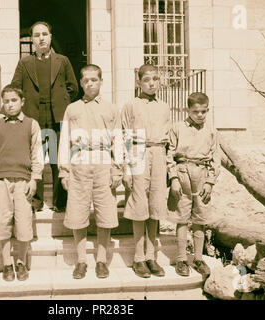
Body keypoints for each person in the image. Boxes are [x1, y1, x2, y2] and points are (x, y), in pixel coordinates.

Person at [58, 64, 123, 279]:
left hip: (103, 161)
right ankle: (81, 261)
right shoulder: (72, 108)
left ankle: (102, 260)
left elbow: (118, 140)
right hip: (79, 161)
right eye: (85, 80)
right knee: (78, 212)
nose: (89, 83)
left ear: (101, 81)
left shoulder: (112, 109)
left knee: (105, 213)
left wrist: (117, 169)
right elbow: (63, 141)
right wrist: (64, 171)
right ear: (80, 83)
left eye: (94, 79)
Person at [11, 21, 78, 213]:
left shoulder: (62, 61)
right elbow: (15, 86)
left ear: (50, 37)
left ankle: (60, 202)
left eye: (45, 34)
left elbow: (72, 87)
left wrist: (61, 101)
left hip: (56, 119)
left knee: (58, 159)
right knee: (36, 160)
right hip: (34, 119)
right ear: (32, 39)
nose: (41, 38)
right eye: (37, 35)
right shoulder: (25, 63)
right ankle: (36, 201)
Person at [0, 85, 44, 281]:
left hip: (23, 181)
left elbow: (37, 153)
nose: (10, 105)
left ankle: (21, 262)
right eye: (6, 101)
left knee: (24, 223)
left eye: (14, 101)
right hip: (1, 180)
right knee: (1, 223)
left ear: (22, 101)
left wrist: (35, 179)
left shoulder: (31, 124)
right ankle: (7, 264)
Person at [121, 64, 170, 278]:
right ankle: (138, 258)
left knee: (155, 205)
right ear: (138, 82)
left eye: (155, 79)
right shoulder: (131, 105)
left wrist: (169, 167)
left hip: (158, 153)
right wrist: (126, 168)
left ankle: (152, 256)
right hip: (138, 152)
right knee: (139, 206)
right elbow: (123, 136)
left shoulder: (165, 107)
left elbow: (169, 140)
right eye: (147, 79)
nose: (151, 83)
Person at [167, 92, 220, 277]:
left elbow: (216, 158)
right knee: (182, 218)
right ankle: (181, 259)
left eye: (204, 111)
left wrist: (210, 182)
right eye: (196, 111)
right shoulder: (177, 128)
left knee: (200, 218)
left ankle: (198, 258)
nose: (200, 115)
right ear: (187, 110)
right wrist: (173, 178)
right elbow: (170, 155)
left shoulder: (212, 131)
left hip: (202, 174)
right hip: (182, 173)